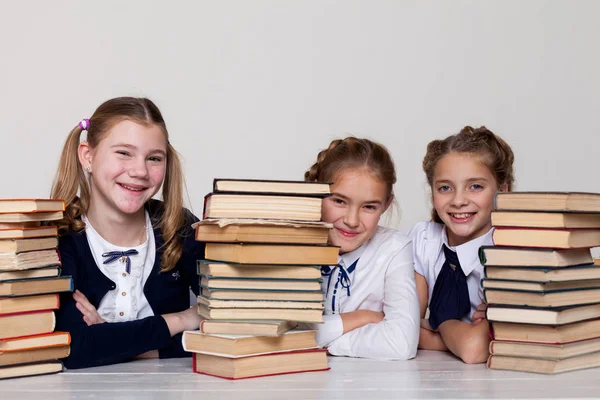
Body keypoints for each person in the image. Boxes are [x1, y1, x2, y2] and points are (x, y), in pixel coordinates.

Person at [50, 97, 203, 369]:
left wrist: (115, 342)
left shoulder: (178, 227)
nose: (139, 171)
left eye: (154, 158)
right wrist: (182, 320)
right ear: (88, 156)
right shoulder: (60, 237)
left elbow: (231, 321)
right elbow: (74, 348)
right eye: (123, 153)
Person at [305, 137, 420, 360]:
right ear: (316, 190)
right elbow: (274, 333)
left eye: (368, 206)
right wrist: (359, 318)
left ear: (386, 204)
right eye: (339, 201)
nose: (351, 220)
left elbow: (401, 343)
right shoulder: (285, 242)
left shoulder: (394, 248)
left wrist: (321, 341)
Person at [410, 126, 515, 364]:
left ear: (503, 191)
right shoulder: (424, 240)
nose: (458, 201)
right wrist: (456, 338)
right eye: (445, 188)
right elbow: (404, 329)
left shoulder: (510, 253)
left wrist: (442, 322)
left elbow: (473, 350)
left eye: (475, 186)